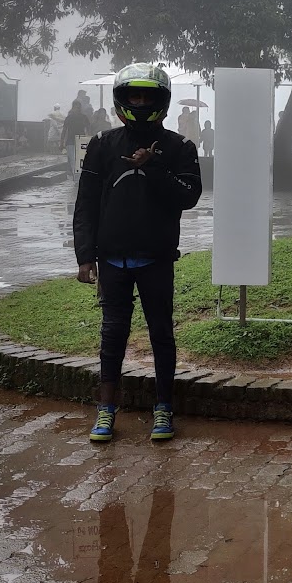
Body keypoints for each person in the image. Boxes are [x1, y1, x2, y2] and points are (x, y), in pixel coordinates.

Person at [74, 63, 202, 444]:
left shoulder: (180, 148)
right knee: (112, 335)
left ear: (161, 101)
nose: (141, 103)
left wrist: (155, 166)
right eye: (135, 96)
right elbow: (86, 203)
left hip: (157, 260)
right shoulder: (101, 145)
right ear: (122, 100)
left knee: (161, 334)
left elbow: (189, 196)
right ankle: (106, 410)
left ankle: (163, 408)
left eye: (148, 96)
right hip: (112, 260)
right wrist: (85, 255)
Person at [62, 99, 90, 177]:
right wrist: (62, 142)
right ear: (73, 108)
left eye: (78, 108)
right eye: (76, 107)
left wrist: (89, 139)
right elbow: (64, 130)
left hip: (81, 141)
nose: (77, 109)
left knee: (81, 160)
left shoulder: (84, 117)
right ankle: (77, 178)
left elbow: (88, 129)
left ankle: (79, 177)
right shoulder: (69, 118)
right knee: (72, 160)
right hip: (70, 141)